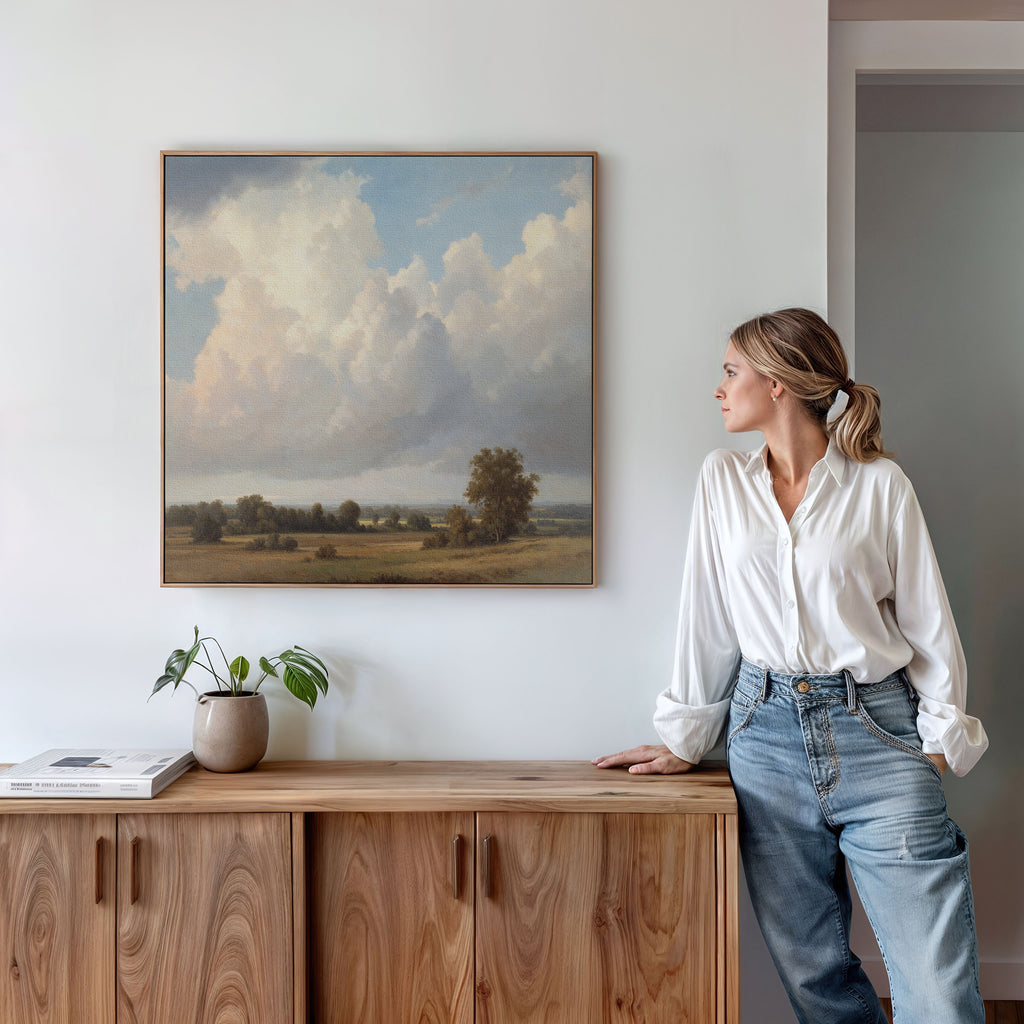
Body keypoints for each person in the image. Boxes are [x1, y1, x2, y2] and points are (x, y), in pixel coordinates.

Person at [594, 308, 988, 1024]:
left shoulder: (880, 486)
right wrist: (687, 737)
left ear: (777, 384)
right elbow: (705, 617)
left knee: (937, 989)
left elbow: (929, 622)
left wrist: (935, 741)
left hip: (879, 730)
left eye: (730, 371)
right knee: (815, 979)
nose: (719, 388)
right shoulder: (722, 481)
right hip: (763, 735)